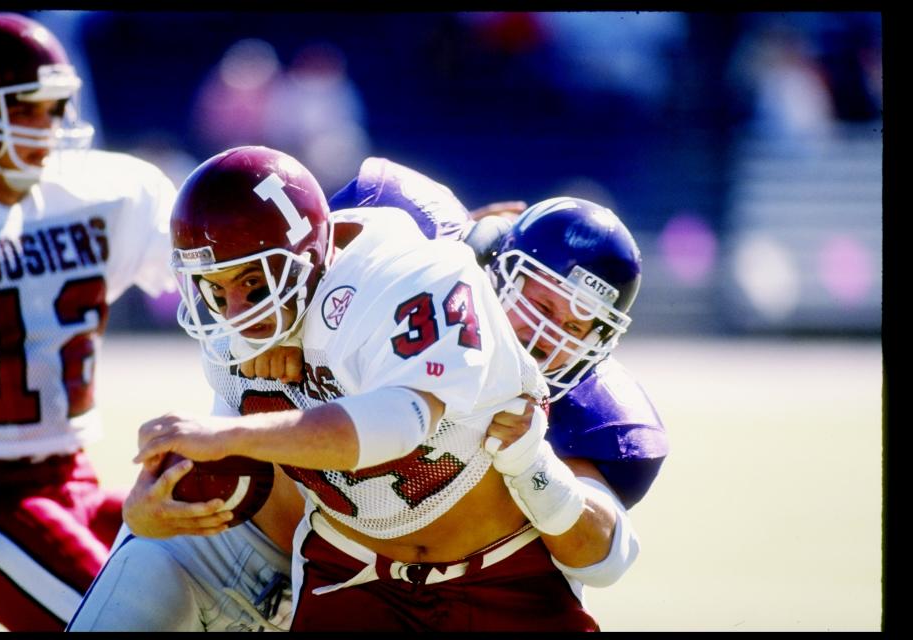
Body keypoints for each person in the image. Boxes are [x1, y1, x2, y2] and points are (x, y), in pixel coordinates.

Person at [68, 155, 663, 631]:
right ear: (492, 264)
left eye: (577, 325)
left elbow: (602, 557)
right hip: (333, 565)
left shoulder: (590, 405)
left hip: (488, 578)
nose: (547, 333)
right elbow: (287, 269)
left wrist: (535, 462)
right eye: (537, 300)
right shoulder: (330, 274)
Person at [0, 12, 178, 631]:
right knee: (130, 622)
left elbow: (213, 262)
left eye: (53, 109)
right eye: (24, 109)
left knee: (221, 573)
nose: (46, 129)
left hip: (74, 473)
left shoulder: (102, 190)